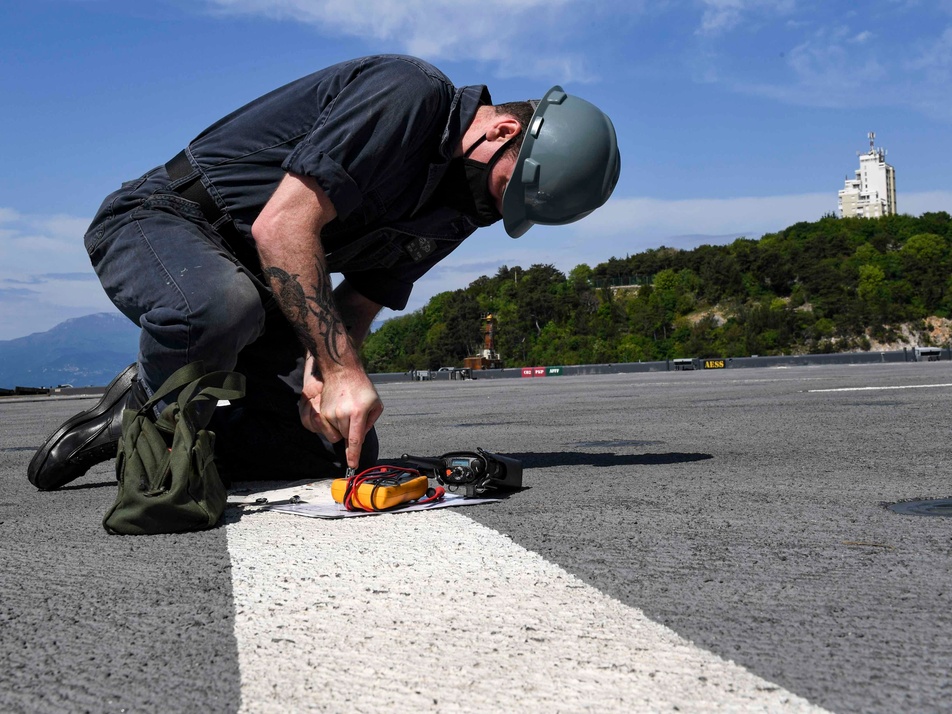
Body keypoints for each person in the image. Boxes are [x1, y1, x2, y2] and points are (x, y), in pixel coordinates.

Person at [27, 54, 620, 491]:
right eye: (505, 191)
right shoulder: (409, 95)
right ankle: (151, 408)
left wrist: (325, 379)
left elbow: (360, 301)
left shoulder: (465, 207)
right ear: (503, 131)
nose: (494, 211)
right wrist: (336, 367)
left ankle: (172, 397)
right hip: (170, 220)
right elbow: (282, 228)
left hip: (262, 287)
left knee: (336, 447)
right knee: (217, 307)